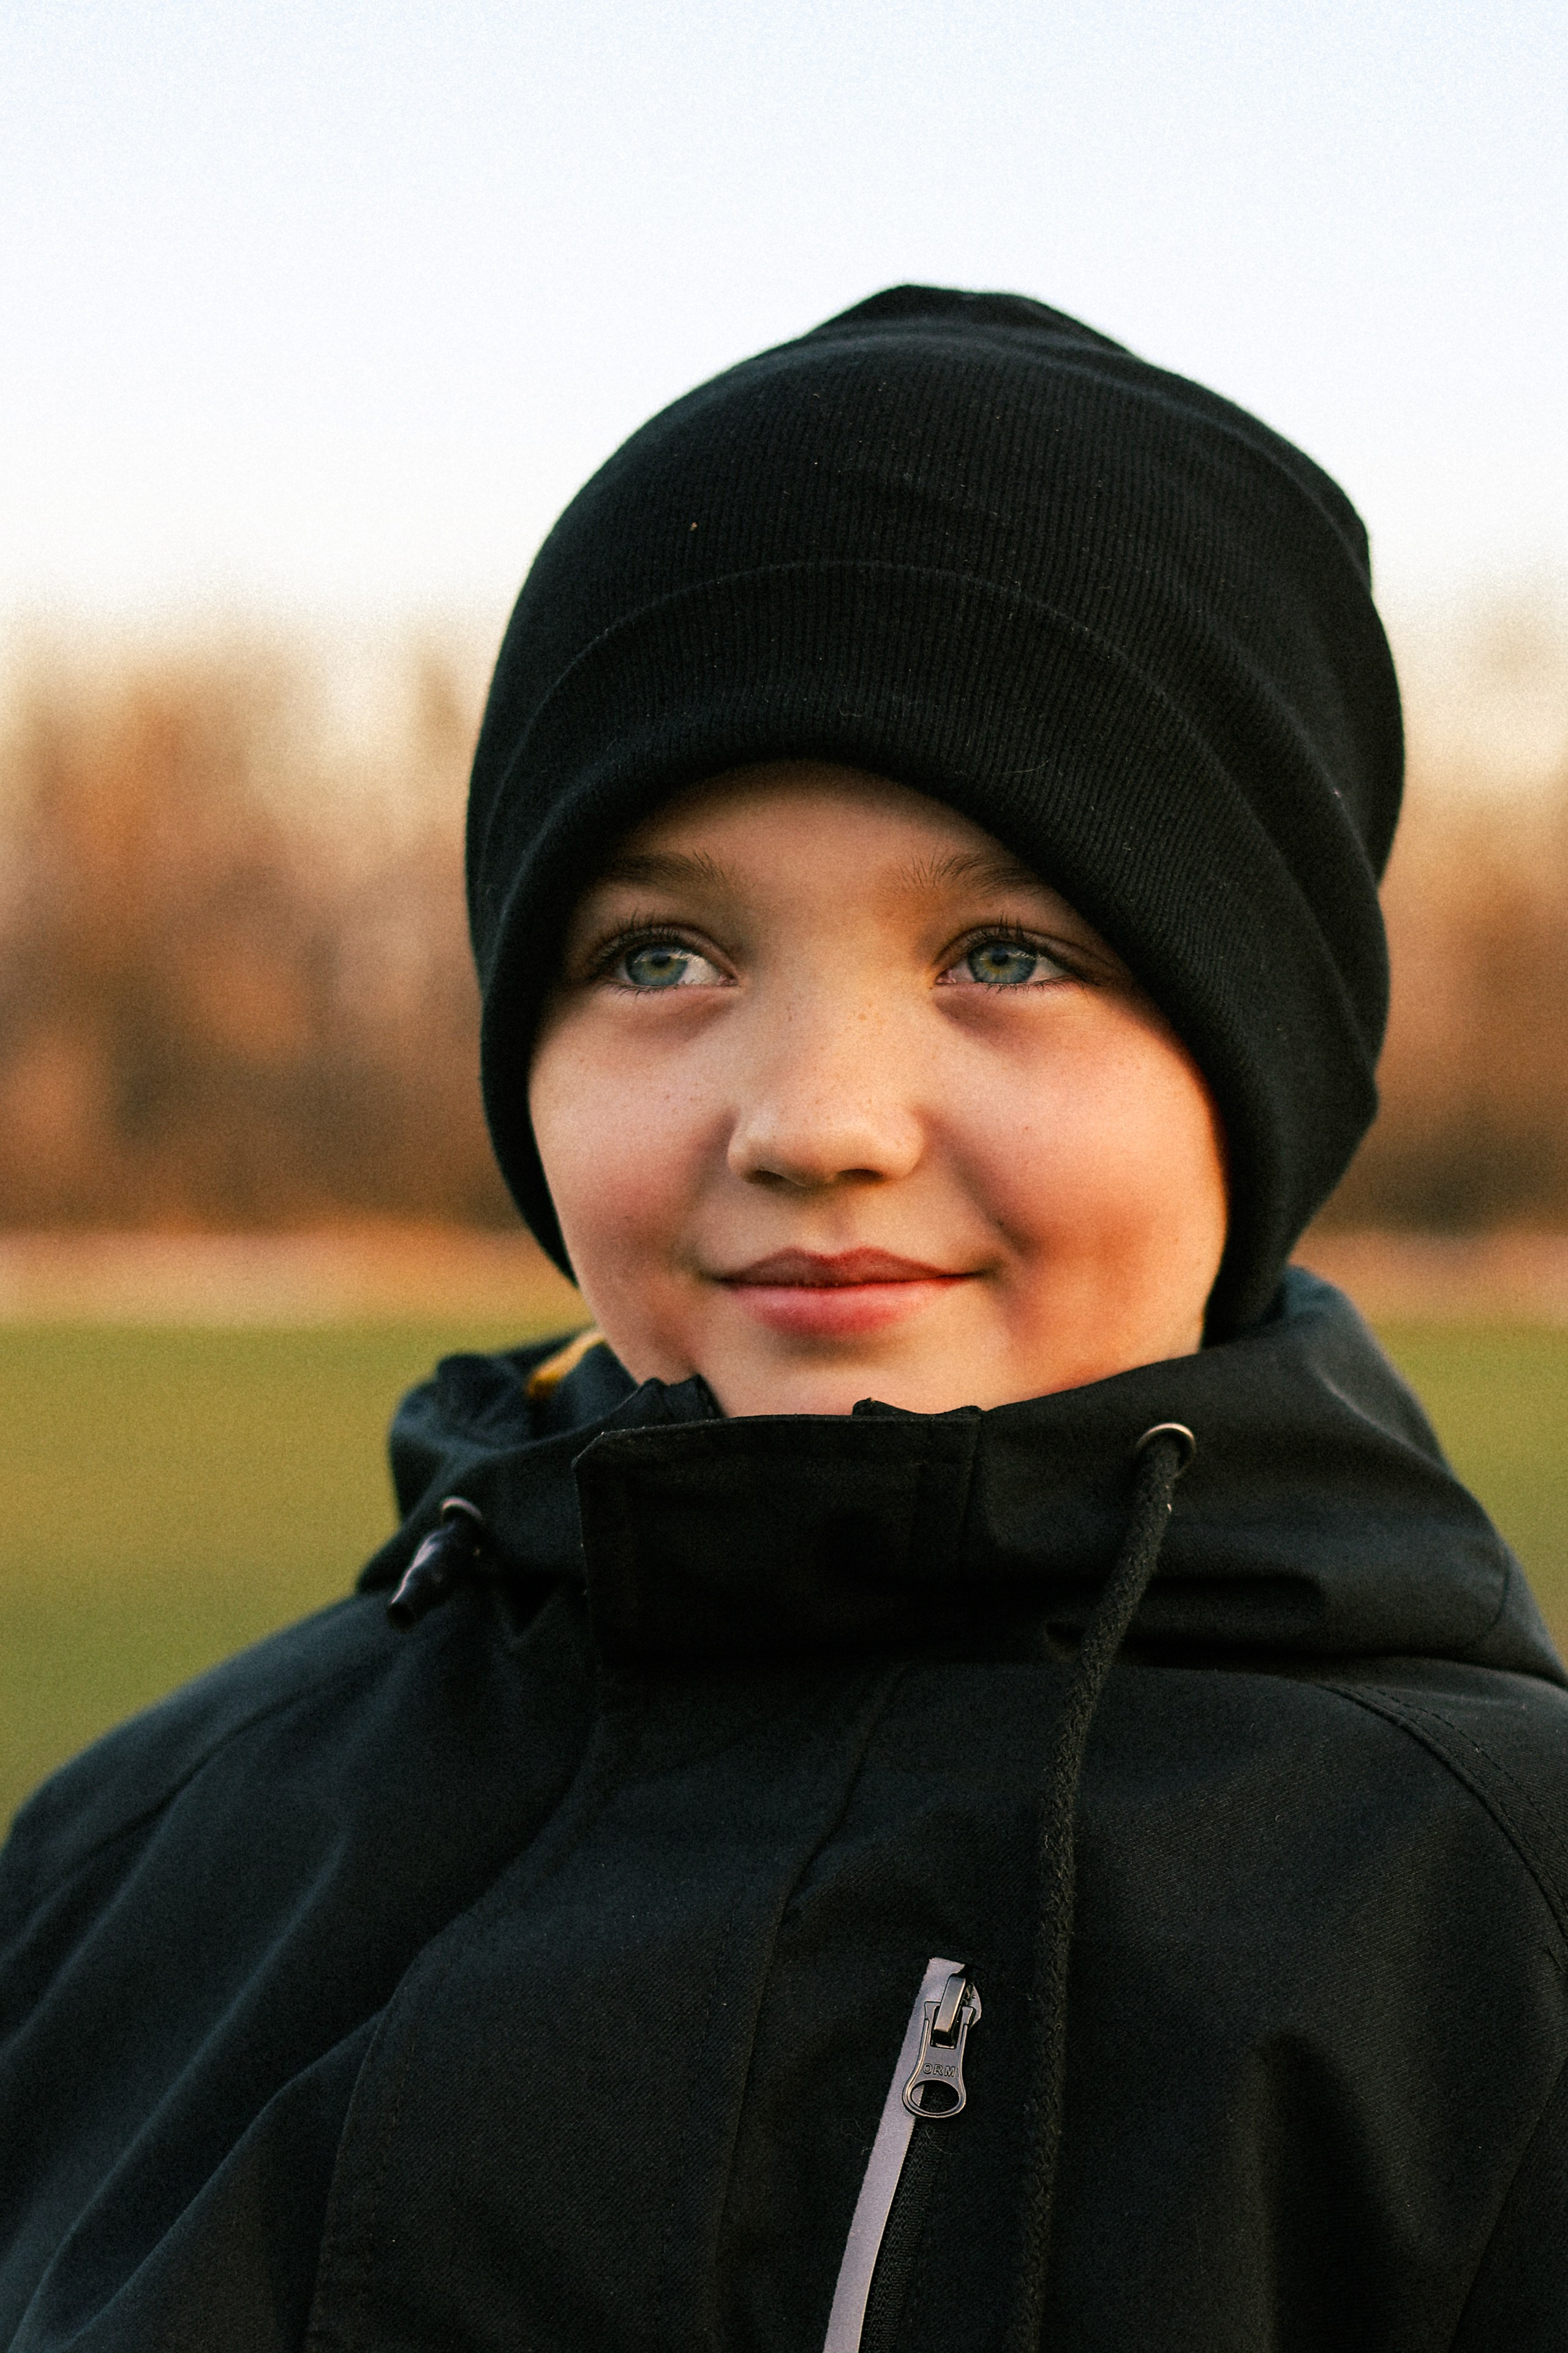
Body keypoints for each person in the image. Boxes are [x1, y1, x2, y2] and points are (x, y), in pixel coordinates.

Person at [2, 286, 1566, 2353]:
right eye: (660, 954)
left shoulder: (1492, 1941)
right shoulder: (132, 1866)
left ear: (1257, 1068)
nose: (816, 1121)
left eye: (1010, 951)